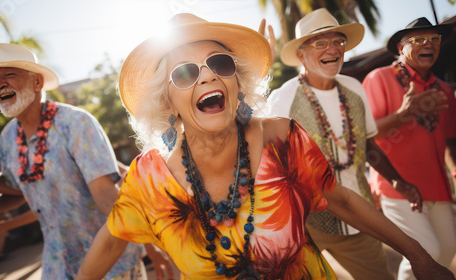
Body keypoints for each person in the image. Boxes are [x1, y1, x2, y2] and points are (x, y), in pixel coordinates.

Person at [74, 13, 455, 280]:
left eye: (219, 63)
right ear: (166, 99)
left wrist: (418, 256)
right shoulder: (149, 178)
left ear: (237, 82)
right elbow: (109, 243)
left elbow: (338, 199)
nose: (206, 74)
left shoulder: (280, 137)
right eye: (185, 72)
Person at [0, 43, 172, 280]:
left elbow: (107, 198)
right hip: (57, 265)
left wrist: (150, 245)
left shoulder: (76, 123)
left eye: (9, 75)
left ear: (37, 83)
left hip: (111, 263)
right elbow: (19, 189)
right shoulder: (8, 138)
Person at [267, 8, 424, 280]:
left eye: (338, 41)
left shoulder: (354, 87)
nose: (333, 49)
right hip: (305, 227)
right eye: (321, 43)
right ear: (301, 55)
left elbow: (368, 146)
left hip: (359, 223)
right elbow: (270, 165)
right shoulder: (282, 99)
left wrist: (398, 181)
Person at [362, 17, 456, 280]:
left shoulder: (445, 90)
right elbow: (367, 134)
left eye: (434, 39)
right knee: (426, 252)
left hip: (438, 186)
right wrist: (406, 113)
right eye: (418, 40)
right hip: (397, 185)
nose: (429, 44)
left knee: (447, 249)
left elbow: (449, 140)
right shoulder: (378, 78)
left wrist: (455, 170)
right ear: (401, 48)